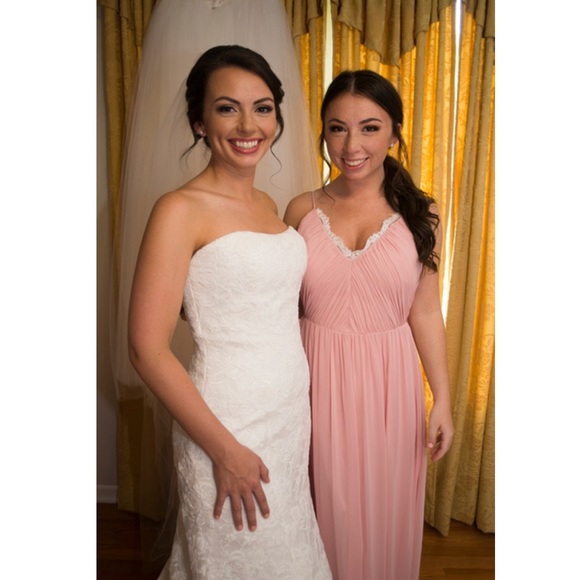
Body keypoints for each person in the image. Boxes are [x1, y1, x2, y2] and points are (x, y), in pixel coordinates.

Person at [128, 45, 331, 579]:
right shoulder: (179, 210)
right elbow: (146, 350)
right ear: (199, 122)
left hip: (288, 415)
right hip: (226, 423)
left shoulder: (268, 206)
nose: (248, 125)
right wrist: (224, 451)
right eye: (227, 108)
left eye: (262, 108)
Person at [284, 69, 455, 580]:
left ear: (395, 132)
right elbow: (279, 307)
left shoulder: (422, 214)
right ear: (323, 133)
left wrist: (442, 400)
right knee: (320, 514)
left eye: (370, 128)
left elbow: (425, 311)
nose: (351, 145)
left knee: (384, 516)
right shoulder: (300, 210)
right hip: (312, 384)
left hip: (390, 389)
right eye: (337, 128)